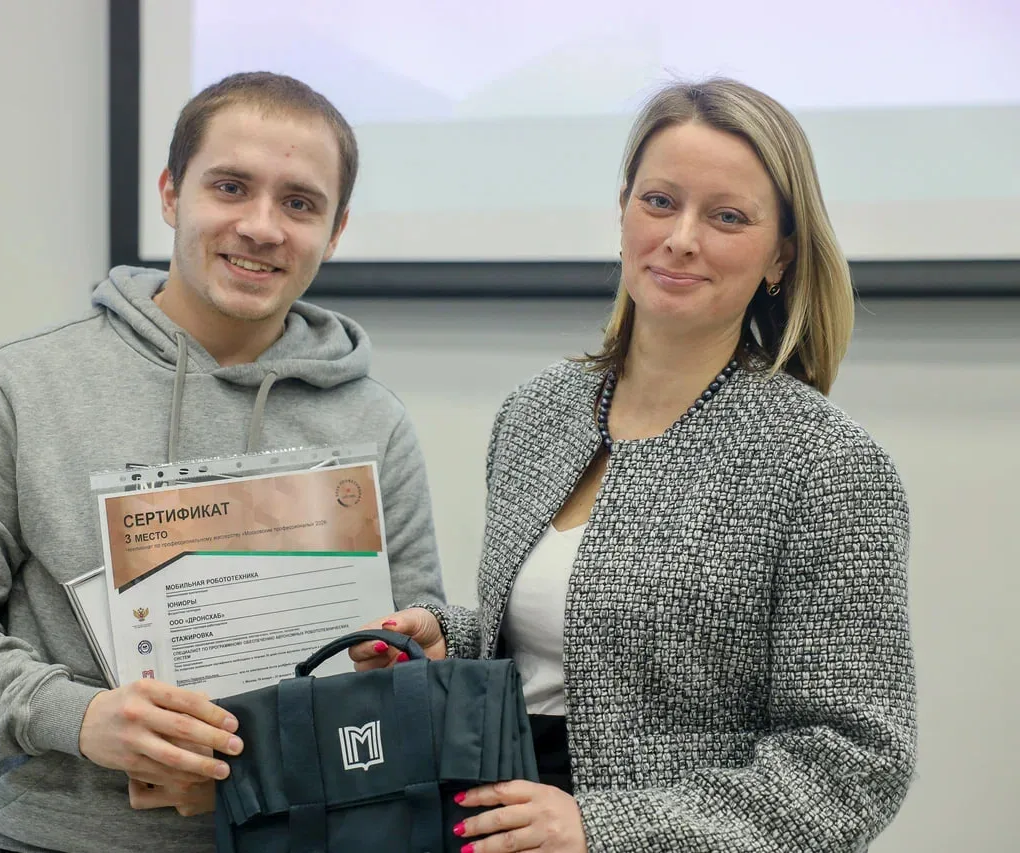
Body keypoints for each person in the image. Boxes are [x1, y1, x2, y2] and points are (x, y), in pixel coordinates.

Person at [0, 71, 445, 853]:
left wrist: (405, 652)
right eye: (230, 187)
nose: (262, 226)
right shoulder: (19, 389)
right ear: (172, 194)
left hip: (300, 839)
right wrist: (77, 718)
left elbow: (412, 661)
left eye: (299, 203)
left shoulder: (375, 423)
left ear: (335, 230)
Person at [355, 78, 916, 852]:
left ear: (781, 254)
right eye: (660, 201)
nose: (681, 237)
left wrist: (603, 828)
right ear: (623, 210)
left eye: (726, 216)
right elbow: (578, 641)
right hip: (493, 825)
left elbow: (854, 765)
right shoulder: (536, 413)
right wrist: (453, 635)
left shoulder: (827, 465)